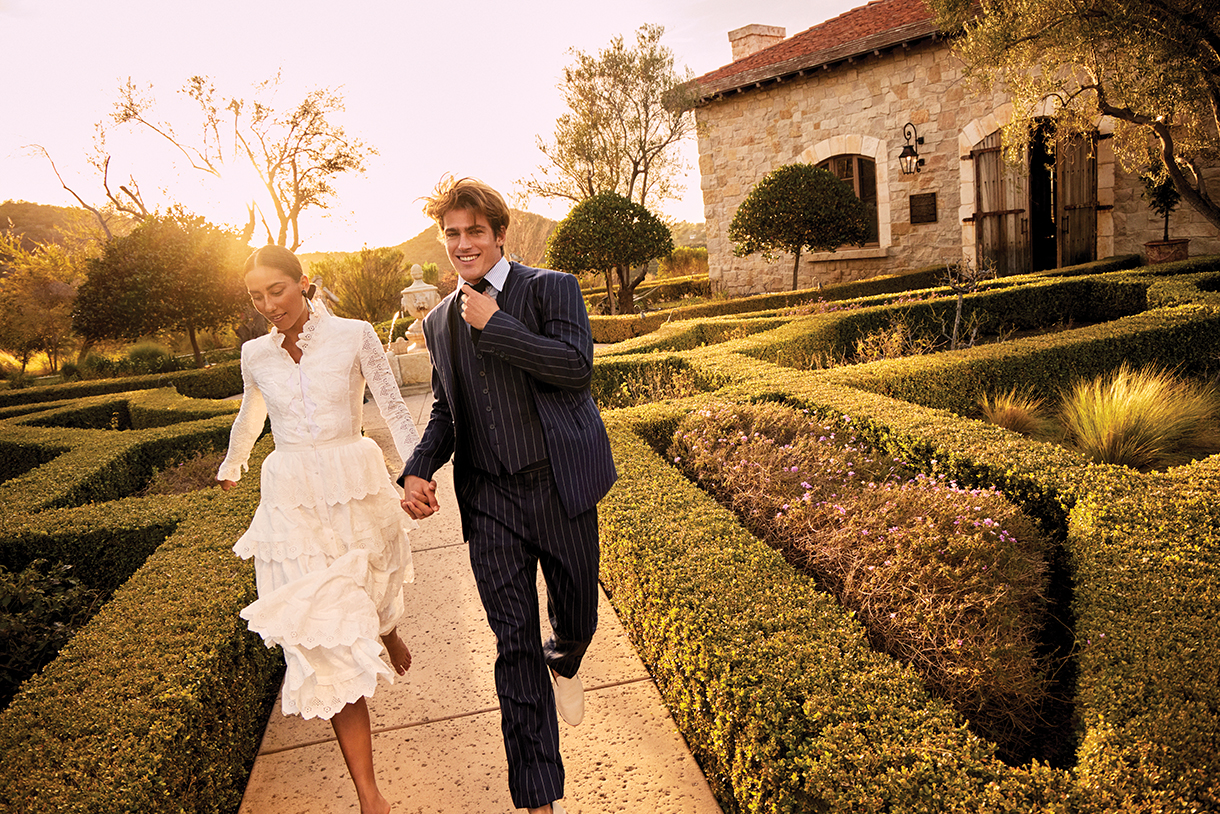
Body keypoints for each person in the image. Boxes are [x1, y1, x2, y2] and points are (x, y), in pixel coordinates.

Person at [399, 177, 616, 814]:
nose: (463, 245)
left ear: (500, 234)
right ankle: (538, 798)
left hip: (560, 487)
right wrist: (418, 468)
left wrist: (497, 326)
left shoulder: (552, 289)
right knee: (512, 645)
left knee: (575, 615)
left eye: (474, 232)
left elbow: (575, 369)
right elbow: (446, 411)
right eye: (452, 235)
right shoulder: (438, 321)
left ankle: (568, 656)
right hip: (491, 502)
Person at [217, 245, 419, 814]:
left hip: (351, 477)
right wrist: (233, 463)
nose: (268, 306)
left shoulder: (355, 334)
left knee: (370, 583)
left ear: (302, 282)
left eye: (276, 291)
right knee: (326, 633)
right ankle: (369, 795)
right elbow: (251, 413)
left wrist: (414, 470)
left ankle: (385, 626)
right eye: (256, 297)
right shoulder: (254, 353)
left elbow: (395, 406)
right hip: (292, 498)